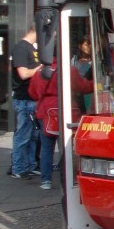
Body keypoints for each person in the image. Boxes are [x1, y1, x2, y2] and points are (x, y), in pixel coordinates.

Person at [30, 61, 92, 190]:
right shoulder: (69, 70)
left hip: (45, 111)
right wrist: (98, 83)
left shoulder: (39, 72)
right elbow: (83, 87)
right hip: (66, 110)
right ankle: (68, 178)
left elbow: (32, 92)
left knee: (46, 149)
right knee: (67, 147)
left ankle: (46, 180)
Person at [9, 25, 42, 180]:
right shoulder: (21, 48)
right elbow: (23, 74)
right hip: (24, 99)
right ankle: (18, 167)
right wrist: (41, 68)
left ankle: (29, 165)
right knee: (23, 135)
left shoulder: (31, 48)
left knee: (33, 136)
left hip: (32, 99)